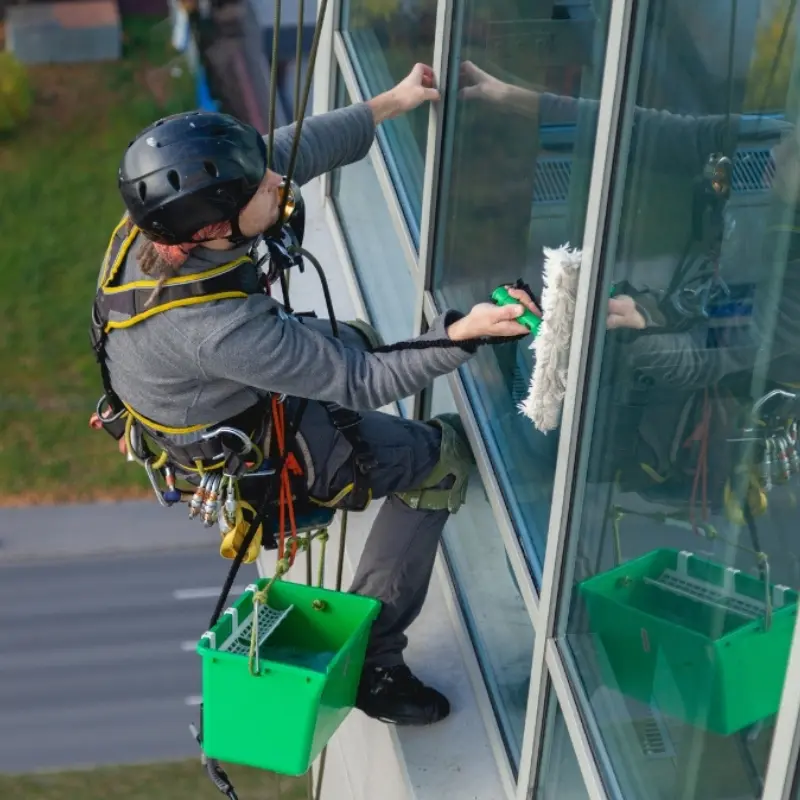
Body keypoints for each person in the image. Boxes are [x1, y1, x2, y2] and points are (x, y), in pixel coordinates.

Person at [89, 63, 541, 727]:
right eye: (261, 187)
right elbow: (361, 383)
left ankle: (340, 471)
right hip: (247, 443)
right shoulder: (213, 328)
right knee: (440, 460)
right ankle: (374, 664)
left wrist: (390, 102)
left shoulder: (153, 226)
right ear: (214, 232)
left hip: (208, 400)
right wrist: (463, 333)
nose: (277, 181)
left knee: (350, 341)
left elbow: (280, 151)